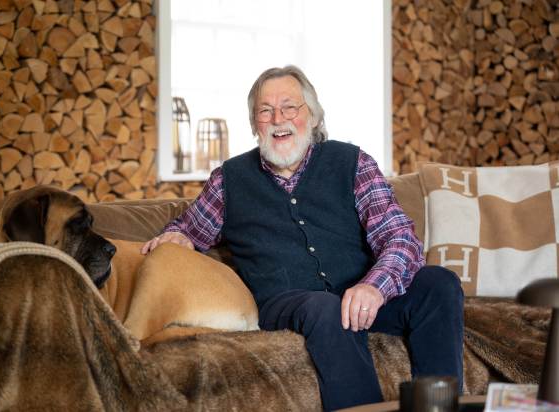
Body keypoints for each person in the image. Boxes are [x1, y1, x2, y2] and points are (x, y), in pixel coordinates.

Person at [141, 65, 464, 410]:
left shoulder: (353, 163)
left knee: (438, 283)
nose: (278, 118)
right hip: (285, 303)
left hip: (359, 296)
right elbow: (186, 229)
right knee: (323, 308)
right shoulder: (229, 180)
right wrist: (176, 239)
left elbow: (400, 238)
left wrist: (374, 286)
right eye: (265, 111)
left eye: (289, 107)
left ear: (312, 116)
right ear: (255, 124)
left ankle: (439, 408)